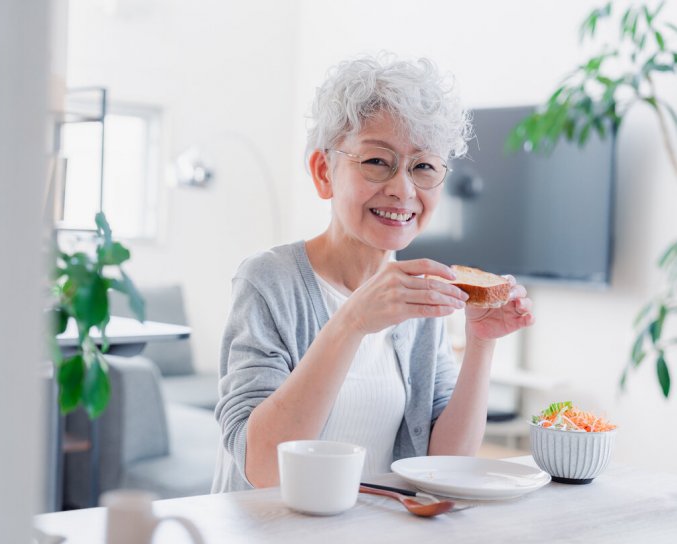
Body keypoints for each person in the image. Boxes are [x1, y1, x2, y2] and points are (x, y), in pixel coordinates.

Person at [212, 54, 534, 493]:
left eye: (423, 167)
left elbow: (445, 467)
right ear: (324, 172)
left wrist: (481, 344)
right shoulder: (268, 281)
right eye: (377, 162)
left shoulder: (422, 298)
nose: (403, 190)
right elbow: (265, 468)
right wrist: (351, 322)